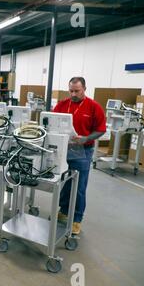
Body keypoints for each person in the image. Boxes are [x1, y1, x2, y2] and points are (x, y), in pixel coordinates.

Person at [53, 77, 106, 235]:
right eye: (71, 91)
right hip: (63, 149)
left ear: (84, 89)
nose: (73, 94)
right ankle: (63, 211)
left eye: (77, 91)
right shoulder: (62, 104)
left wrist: (86, 138)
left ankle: (76, 219)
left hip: (83, 151)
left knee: (79, 187)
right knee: (64, 182)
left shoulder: (93, 107)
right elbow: (51, 121)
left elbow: (101, 129)